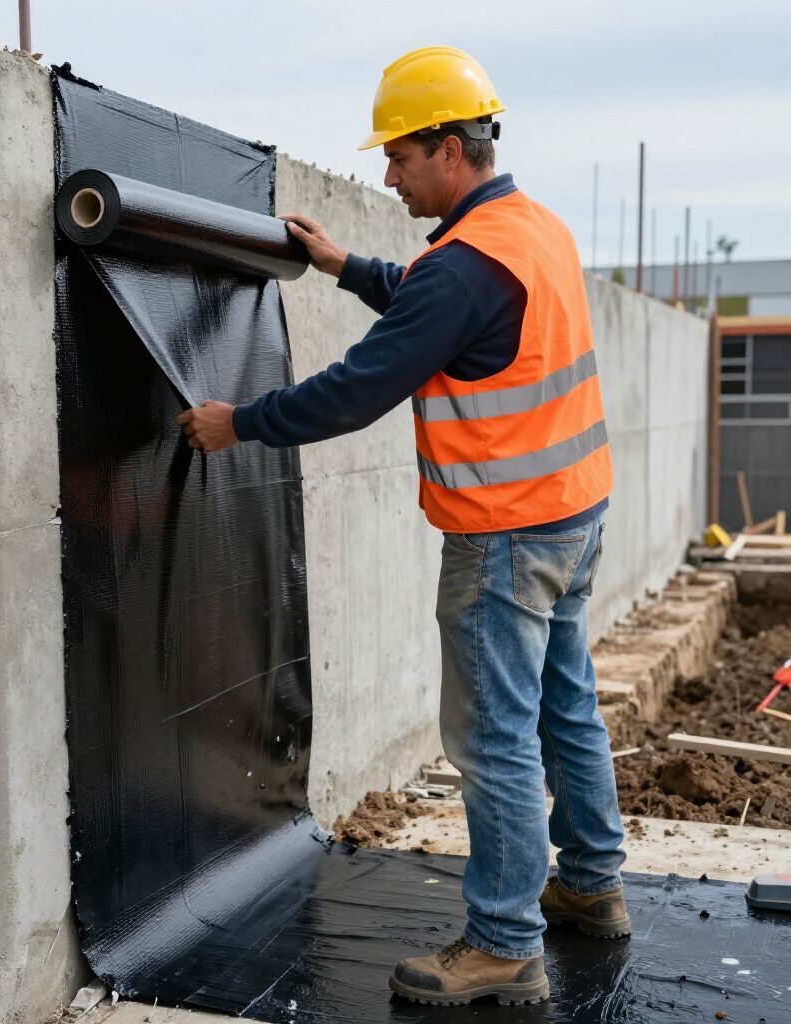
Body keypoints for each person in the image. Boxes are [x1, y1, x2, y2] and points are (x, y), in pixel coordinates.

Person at [177, 46, 629, 1008]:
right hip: (573, 516)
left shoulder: (464, 267)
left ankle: (506, 943)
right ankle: (591, 884)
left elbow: (359, 388)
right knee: (565, 705)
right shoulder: (530, 228)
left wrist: (238, 424)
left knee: (494, 740)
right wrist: (345, 266)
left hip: (504, 535)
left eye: (401, 156)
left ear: (452, 149)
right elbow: (442, 311)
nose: (389, 174)